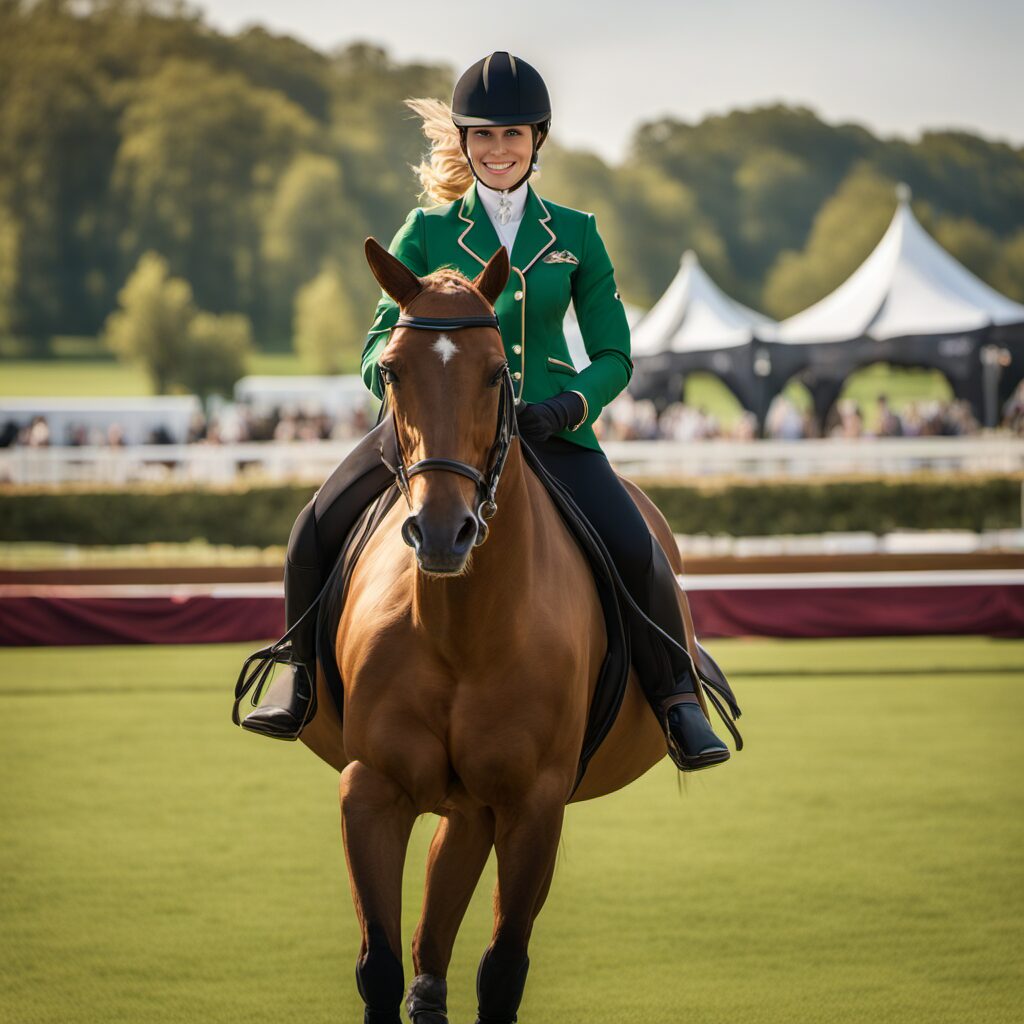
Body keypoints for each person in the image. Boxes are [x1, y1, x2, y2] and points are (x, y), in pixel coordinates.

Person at [241, 51, 730, 771]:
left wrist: (569, 404)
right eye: (484, 137)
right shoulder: (425, 230)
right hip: (435, 432)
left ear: (537, 142)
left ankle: (679, 701)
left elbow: (616, 356)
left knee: (639, 551)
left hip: (549, 432)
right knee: (310, 529)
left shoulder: (578, 235)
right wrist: (407, 393)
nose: (498, 151)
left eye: (513, 137)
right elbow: (378, 339)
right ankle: (299, 675)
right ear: (465, 144)